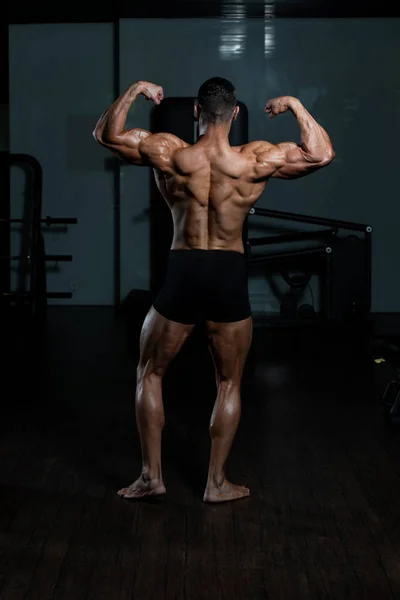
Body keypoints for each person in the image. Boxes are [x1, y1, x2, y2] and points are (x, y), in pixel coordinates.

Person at [93, 77, 334, 503]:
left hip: (184, 268)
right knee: (229, 382)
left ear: (195, 113)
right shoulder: (254, 158)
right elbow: (321, 153)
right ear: (236, 113)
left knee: (150, 373)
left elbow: (106, 134)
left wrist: (133, 91)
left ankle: (152, 477)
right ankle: (217, 483)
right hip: (228, 270)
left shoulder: (170, 152)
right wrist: (296, 104)